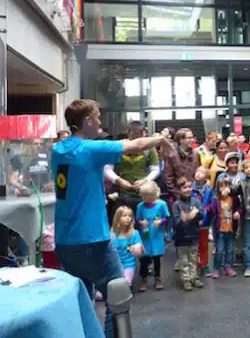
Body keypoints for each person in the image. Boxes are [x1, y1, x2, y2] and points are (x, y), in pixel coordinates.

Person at [52, 99, 171, 338]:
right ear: (86, 120)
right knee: (117, 295)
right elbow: (136, 145)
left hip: (65, 241)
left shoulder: (57, 150)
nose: (100, 122)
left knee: (82, 301)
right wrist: (160, 138)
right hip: (92, 239)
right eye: (97, 117)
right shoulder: (89, 149)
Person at [105, 121, 160, 217]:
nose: (136, 140)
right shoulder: (119, 146)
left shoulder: (149, 148)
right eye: (133, 135)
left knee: (143, 224)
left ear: (143, 133)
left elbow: (155, 169)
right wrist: (118, 180)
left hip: (143, 194)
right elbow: (107, 168)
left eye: (138, 135)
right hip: (121, 194)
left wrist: (146, 180)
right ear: (128, 132)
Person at [136, 180, 169, 292]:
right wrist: (141, 222)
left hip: (156, 234)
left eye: (148, 196)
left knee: (156, 258)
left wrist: (160, 221)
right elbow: (137, 219)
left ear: (154, 194)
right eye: (143, 196)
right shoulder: (140, 206)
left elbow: (167, 217)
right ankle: (143, 278)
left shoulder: (161, 204)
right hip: (145, 235)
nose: (145, 198)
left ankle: (158, 277)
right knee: (144, 258)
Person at [173, 178, 205, 291]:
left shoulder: (195, 201)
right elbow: (176, 222)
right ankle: (186, 280)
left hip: (194, 235)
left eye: (189, 187)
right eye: (184, 187)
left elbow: (201, 215)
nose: (187, 189)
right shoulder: (177, 204)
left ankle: (194, 277)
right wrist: (184, 219)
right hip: (181, 238)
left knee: (193, 258)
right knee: (183, 260)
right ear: (179, 190)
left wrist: (196, 214)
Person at [207, 177, 241, 279]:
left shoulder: (234, 199)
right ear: (218, 188)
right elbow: (210, 210)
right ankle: (216, 268)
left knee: (230, 250)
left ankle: (228, 267)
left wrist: (238, 213)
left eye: (226, 186)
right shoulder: (216, 200)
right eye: (221, 186)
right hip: (220, 230)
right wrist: (211, 203)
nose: (224, 189)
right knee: (220, 250)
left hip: (230, 229)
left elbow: (240, 208)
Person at [162, 128, 200, 202]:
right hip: (177, 197)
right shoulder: (172, 156)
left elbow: (199, 173)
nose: (192, 140)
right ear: (181, 140)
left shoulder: (196, 154)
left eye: (192, 137)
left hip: (194, 195)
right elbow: (167, 178)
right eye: (189, 138)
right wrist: (177, 194)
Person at [110, 206, 144, 287]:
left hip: (128, 265)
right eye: (124, 216)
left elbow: (141, 251)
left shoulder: (134, 233)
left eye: (130, 216)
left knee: (125, 284)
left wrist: (139, 249)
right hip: (114, 265)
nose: (128, 218)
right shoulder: (111, 234)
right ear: (118, 218)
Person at [192, 166, 215, 277]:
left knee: (203, 244)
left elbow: (212, 204)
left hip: (205, 221)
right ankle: (194, 265)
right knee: (193, 245)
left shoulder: (209, 190)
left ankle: (204, 264)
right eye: (197, 171)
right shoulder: (190, 188)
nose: (198, 174)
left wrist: (206, 212)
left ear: (206, 177)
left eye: (202, 172)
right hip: (192, 222)